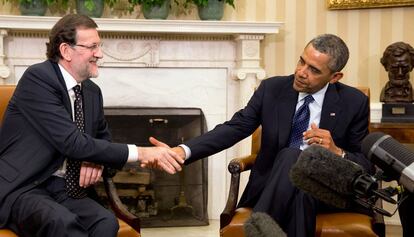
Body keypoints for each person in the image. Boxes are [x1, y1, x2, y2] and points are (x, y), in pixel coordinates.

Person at [156, 34, 373, 236]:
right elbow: (235, 127)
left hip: (327, 191)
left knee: (298, 168)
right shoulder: (273, 89)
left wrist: (337, 152)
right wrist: (182, 151)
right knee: (295, 170)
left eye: (314, 70)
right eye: (301, 61)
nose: (301, 72)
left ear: (335, 77)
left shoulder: (353, 102)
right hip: (274, 185)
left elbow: (366, 165)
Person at [0, 14, 183, 237]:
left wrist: (94, 160)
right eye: (93, 47)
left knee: (106, 223)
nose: (100, 54)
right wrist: (142, 152)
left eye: (100, 46)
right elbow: (72, 143)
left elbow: (102, 141)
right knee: (61, 222)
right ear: (66, 51)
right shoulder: (38, 79)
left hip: (63, 188)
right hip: (25, 187)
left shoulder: (91, 91)